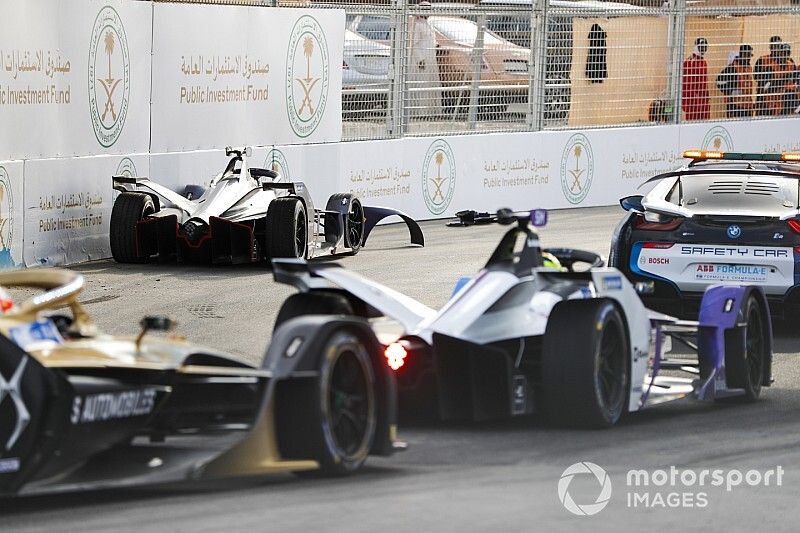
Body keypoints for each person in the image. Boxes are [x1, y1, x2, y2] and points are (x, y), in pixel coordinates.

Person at [717, 44, 754, 118]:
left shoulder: (749, 67)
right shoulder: (732, 68)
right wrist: (731, 91)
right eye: (748, 55)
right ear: (743, 54)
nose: (749, 58)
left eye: (750, 55)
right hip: (735, 106)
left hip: (747, 106)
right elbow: (718, 82)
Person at [682, 37, 710, 121]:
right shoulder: (690, 62)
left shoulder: (703, 61)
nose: (703, 49)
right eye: (701, 47)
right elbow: (688, 83)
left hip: (702, 100)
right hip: (693, 101)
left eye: (705, 47)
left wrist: (706, 96)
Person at [754, 36, 783, 116]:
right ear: (770, 46)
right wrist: (767, 80)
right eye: (775, 45)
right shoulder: (762, 60)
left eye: (779, 46)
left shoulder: (787, 62)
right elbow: (756, 76)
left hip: (778, 100)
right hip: (763, 99)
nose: (777, 48)